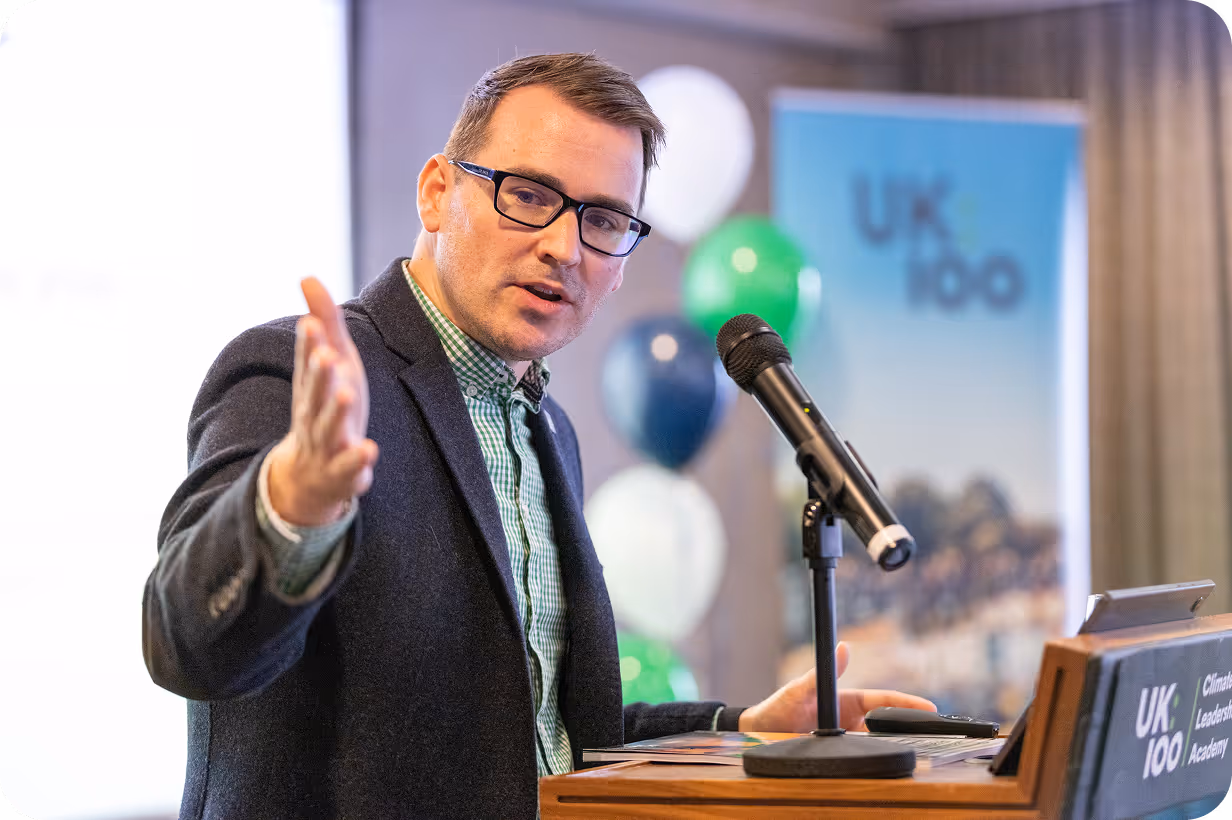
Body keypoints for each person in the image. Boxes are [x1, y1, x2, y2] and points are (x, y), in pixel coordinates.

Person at [143, 52, 935, 819]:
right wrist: (293, 505)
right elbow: (191, 649)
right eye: (527, 195)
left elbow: (545, 737)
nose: (564, 247)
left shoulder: (546, 427)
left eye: (602, 219)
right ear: (436, 192)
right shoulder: (298, 376)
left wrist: (740, 730)